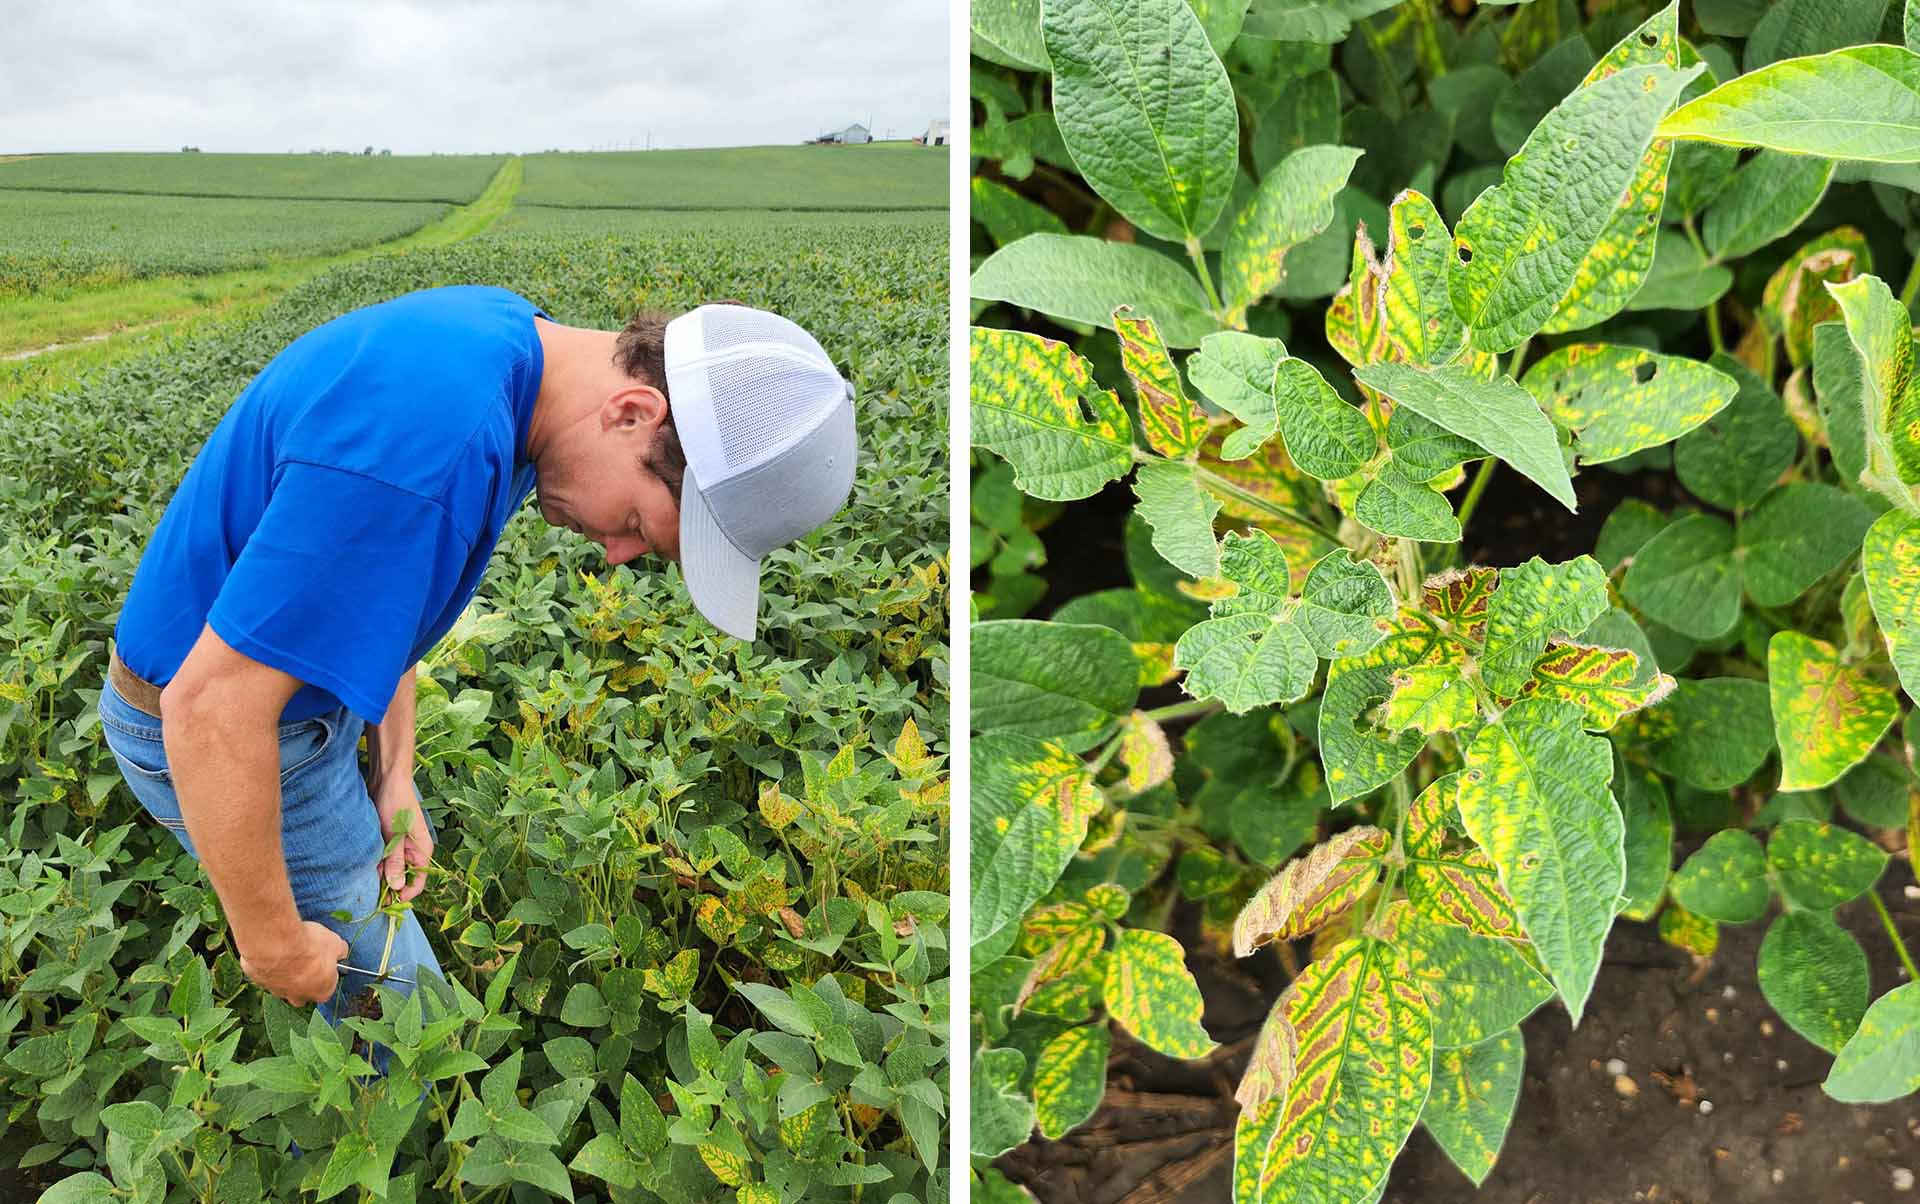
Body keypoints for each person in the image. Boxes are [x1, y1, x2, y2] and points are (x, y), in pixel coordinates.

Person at [96, 286, 858, 1061]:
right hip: (227, 731)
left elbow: (379, 597)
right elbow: (211, 709)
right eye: (636, 524)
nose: (618, 554)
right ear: (632, 412)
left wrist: (394, 772)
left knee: (394, 1017)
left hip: (275, 706)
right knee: (408, 1042)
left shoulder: (509, 351)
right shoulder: (426, 450)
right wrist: (274, 946)